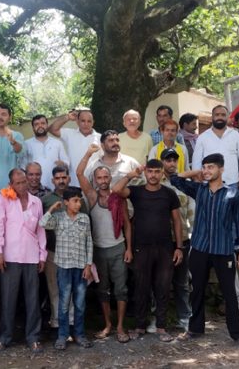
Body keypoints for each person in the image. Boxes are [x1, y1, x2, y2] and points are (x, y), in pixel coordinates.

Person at [170, 153, 239, 346]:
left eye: (211, 167)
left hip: (223, 250)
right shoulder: (199, 190)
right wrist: (197, 171)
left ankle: (237, 333)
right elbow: (175, 178)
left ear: (221, 169)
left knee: (230, 292)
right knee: (196, 289)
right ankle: (195, 329)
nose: (207, 171)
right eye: (205, 167)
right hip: (199, 248)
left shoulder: (233, 193)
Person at [113, 160, 182, 342]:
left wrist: (179, 247)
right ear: (145, 173)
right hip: (141, 247)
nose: (153, 175)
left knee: (163, 287)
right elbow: (117, 190)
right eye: (149, 171)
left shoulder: (169, 194)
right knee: (141, 287)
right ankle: (140, 326)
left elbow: (177, 221)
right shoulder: (137, 192)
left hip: (165, 248)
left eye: (156, 172)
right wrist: (130, 175)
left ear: (162, 174)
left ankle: (161, 326)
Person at [76, 145, 132, 343]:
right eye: (98, 178)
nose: (102, 181)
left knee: (121, 289)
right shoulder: (91, 197)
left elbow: (126, 224)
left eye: (105, 177)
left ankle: (120, 327)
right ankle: (107, 324)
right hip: (98, 251)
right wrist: (89, 153)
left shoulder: (118, 197)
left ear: (110, 179)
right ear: (95, 180)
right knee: (102, 290)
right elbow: (79, 173)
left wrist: (129, 249)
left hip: (118, 248)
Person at [0, 169, 47, 354]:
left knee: (33, 299)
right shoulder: (4, 199)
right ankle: (5, 336)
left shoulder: (36, 201)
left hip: (31, 256)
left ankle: (33, 337)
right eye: (19, 183)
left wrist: (42, 255)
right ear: (12, 184)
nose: (23, 185)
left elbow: (40, 230)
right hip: (10, 256)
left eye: (24, 181)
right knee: (8, 299)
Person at [40, 188, 93, 350]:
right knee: (63, 303)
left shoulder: (84, 218)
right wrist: (51, 209)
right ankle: (62, 335)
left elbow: (89, 242)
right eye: (75, 201)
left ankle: (79, 334)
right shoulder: (58, 218)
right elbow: (42, 224)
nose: (78, 204)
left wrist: (88, 265)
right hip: (63, 267)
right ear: (66, 202)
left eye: (80, 200)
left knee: (80, 303)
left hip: (80, 267)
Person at [160, 149, 196, 331]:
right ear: (162, 162)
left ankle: (185, 316)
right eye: (168, 160)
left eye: (174, 160)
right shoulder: (153, 182)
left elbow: (192, 212)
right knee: (159, 281)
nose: (171, 163)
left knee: (182, 282)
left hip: (181, 239)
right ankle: (158, 319)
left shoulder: (184, 185)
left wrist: (192, 236)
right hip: (160, 240)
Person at [40, 166, 75, 330]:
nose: (61, 180)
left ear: (69, 178)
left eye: (64, 177)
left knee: (73, 290)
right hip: (53, 251)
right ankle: (57, 324)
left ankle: (73, 324)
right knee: (54, 289)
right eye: (58, 178)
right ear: (53, 180)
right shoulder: (46, 200)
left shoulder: (77, 196)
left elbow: (87, 222)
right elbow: (40, 226)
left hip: (75, 252)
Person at [192, 105, 239, 189]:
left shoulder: (236, 135)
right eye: (217, 115)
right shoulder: (203, 137)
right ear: (212, 117)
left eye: (223, 115)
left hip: (232, 183)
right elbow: (196, 160)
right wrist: (196, 179)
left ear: (228, 117)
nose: (220, 117)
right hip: (209, 184)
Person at [48, 109, 101, 186]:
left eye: (89, 121)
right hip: (74, 183)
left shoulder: (100, 138)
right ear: (77, 121)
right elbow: (52, 129)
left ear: (93, 122)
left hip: (94, 185)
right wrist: (67, 117)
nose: (86, 124)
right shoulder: (69, 134)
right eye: (83, 121)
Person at [21, 114, 69, 189]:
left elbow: (66, 162)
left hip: (55, 188)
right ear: (33, 128)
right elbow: (23, 167)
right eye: (36, 124)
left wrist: (63, 164)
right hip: (34, 189)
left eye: (43, 123)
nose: (40, 126)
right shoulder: (26, 144)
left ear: (47, 125)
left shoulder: (57, 143)